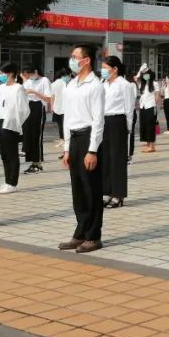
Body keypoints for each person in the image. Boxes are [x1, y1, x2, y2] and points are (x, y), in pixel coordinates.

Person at [59, 44, 105, 253]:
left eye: (74, 56)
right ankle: (80, 232)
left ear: (86, 60)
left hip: (88, 138)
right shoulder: (71, 85)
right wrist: (67, 149)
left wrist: (92, 150)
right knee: (77, 189)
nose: (71, 59)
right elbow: (67, 118)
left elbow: (98, 120)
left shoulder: (95, 85)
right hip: (75, 139)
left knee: (91, 190)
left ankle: (94, 236)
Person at [100, 55, 134, 209]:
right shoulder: (103, 84)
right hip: (103, 122)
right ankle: (106, 192)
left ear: (114, 69)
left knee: (117, 159)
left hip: (118, 122)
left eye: (105, 68)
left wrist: (128, 127)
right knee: (105, 158)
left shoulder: (124, 85)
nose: (103, 71)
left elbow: (129, 108)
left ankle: (118, 195)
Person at [0, 62, 30, 195]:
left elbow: (23, 109)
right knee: (4, 154)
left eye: (2, 73)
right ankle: (6, 180)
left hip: (10, 123)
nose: (0, 75)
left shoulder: (18, 88)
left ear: (10, 73)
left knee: (11, 154)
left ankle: (12, 182)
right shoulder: (1, 87)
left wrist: (14, 122)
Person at [21, 65, 51, 175]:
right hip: (28, 108)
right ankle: (33, 163)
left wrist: (35, 92)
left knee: (36, 136)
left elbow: (48, 98)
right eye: (26, 75)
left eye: (29, 74)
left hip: (39, 107)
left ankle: (38, 163)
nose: (28, 77)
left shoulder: (44, 80)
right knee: (28, 136)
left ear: (35, 71)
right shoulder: (28, 81)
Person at [138, 68, 158, 154]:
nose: (145, 75)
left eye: (146, 74)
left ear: (150, 74)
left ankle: (152, 146)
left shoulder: (154, 83)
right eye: (143, 74)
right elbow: (136, 78)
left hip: (151, 107)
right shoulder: (142, 85)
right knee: (144, 126)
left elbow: (157, 95)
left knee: (150, 127)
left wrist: (155, 105)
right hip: (143, 107)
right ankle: (148, 145)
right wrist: (140, 71)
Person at [51, 67, 69, 148]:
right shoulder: (67, 83)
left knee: (60, 125)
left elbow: (52, 97)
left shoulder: (54, 84)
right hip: (66, 108)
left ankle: (62, 139)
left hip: (57, 107)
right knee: (65, 125)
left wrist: (51, 107)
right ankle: (65, 140)